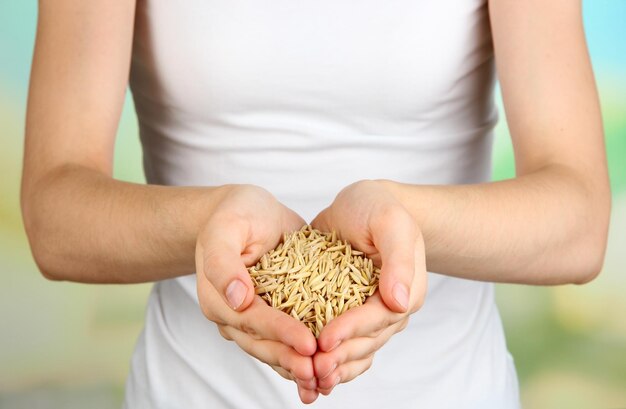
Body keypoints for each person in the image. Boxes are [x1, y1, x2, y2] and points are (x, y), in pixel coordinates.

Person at [21, 0, 610, 407]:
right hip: (189, 393)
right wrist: (209, 223)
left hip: (452, 393)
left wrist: (405, 223)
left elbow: (579, 221)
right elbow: (56, 212)